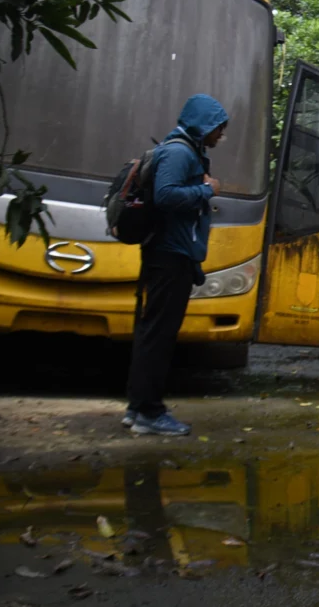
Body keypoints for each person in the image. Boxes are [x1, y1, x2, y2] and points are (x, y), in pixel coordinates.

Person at [123, 94, 228, 436]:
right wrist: (206, 191)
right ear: (204, 124)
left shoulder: (185, 150)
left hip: (173, 253)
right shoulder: (180, 152)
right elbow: (167, 196)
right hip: (169, 256)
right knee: (159, 335)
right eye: (218, 129)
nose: (220, 136)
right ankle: (149, 413)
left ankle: (138, 407)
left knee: (154, 332)